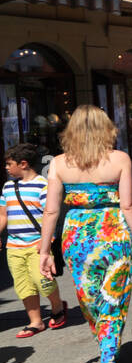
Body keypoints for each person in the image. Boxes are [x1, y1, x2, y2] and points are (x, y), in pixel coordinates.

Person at [38, 106, 132, 363]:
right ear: (106, 129)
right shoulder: (120, 159)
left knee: (89, 298)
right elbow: (128, 205)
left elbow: (50, 211)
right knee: (114, 297)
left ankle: (106, 349)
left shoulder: (58, 164)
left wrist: (45, 252)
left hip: (76, 237)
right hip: (114, 233)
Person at [3, 143, 68, 337]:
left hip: (38, 244)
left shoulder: (43, 185)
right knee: (23, 285)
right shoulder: (7, 187)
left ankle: (57, 307)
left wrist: (48, 240)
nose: (6, 168)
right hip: (14, 246)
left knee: (43, 281)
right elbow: (3, 215)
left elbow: (51, 214)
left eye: (9, 164)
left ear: (23, 164)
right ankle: (36, 321)